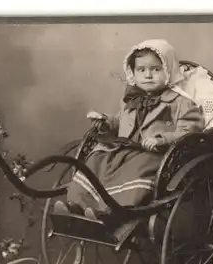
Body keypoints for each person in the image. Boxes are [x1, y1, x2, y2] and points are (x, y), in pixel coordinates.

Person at [54, 39, 204, 224]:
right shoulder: (131, 100)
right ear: (133, 73)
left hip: (152, 154)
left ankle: (112, 210)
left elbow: (190, 131)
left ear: (169, 71)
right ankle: (78, 204)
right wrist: (105, 121)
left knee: (136, 168)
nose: (148, 75)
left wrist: (163, 139)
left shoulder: (181, 102)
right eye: (142, 70)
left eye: (156, 69)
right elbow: (120, 122)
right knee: (98, 158)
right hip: (124, 150)